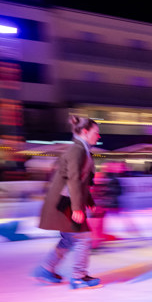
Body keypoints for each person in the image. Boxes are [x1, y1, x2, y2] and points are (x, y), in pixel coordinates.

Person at [33, 116, 103, 289]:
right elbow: (73, 179)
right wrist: (77, 208)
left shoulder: (82, 149)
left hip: (64, 201)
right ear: (85, 132)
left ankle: (46, 269)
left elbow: (81, 180)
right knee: (83, 238)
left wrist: (89, 201)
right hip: (65, 202)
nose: (99, 136)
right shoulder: (77, 150)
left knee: (69, 239)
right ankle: (79, 276)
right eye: (96, 132)